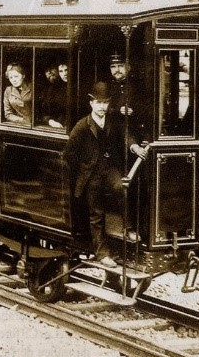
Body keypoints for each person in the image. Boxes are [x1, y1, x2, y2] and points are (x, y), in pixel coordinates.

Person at [63, 82, 147, 267]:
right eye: (99, 103)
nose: (102, 107)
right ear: (91, 103)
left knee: (121, 188)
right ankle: (102, 254)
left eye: (105, 103)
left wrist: (133, 146)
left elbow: (125, 134)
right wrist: (85, 167)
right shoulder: (82, 126)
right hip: (91, 175)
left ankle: (128, 228)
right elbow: (69, 154)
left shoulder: (112, 121)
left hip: (109, 169)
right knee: (96, 214)